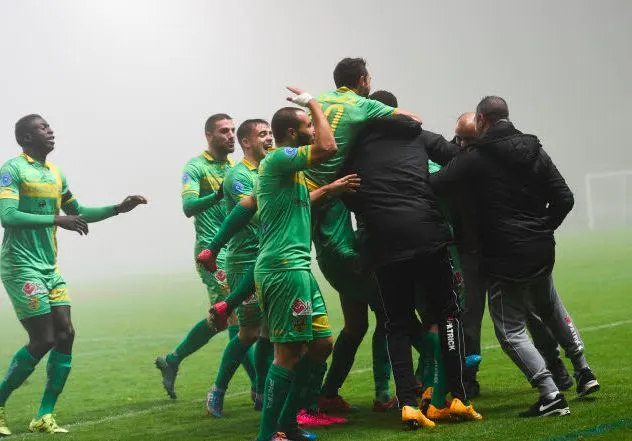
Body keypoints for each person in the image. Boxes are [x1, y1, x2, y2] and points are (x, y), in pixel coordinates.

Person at [431, 96, 599, 417]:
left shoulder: (475, 158)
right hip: (540, 249)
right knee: (550, 310)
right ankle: (583, 370)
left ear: (481, 120)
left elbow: (436, 184)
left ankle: (550, 393)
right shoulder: (534, 148)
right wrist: (542, 228)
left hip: (505, 256)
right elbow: (564, 197)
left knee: (510, 331)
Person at [339, 103, 483, 430]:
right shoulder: (418, 136)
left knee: (397, 324)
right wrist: (430, 188)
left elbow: (343, 189)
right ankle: (458, 396)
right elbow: (460, 158)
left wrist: (372, 210)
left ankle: (407, 404)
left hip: (384, 244)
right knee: (447, 313)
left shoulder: (354, 150)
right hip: (428, 234)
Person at [0, 114, 147, 435]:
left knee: (65, 334)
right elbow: (7, 216)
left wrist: (117, 209)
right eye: (42, 128)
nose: (50, 131)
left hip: (49, 268)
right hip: (20, 266)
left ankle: (44, 415)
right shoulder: (12, 169)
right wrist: (56, 220)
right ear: (25, 138)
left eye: (50, 127)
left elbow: (76, 214)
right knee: (43, 339)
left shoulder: (55, 174)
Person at [308, 58, 421, 413]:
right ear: (362, 81)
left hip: (331, 244)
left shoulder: (325, 106)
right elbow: (412, 121)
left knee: (356, 325)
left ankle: (327, 393)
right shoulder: (362, 117)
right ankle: (393, 389)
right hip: (345, 254)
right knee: (394, 317)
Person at [453, 113, 574, 398]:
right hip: (471, 255)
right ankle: (468, 379)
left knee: (532, 314)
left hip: (503, 253)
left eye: (468, 138)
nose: (461, 143)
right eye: (457, 137)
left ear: (481, 134)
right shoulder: (458, 158)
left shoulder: (493, 160)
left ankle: (556, 368)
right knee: (470, 318)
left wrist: (539, 229)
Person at [155, 114, 257, 401]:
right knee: (235, 316)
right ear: (208, 136)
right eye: (224, 131)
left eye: (233, 131)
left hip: (238, 252)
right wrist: (217, 195)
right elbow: (188, 207)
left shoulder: (237, 168)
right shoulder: (196, 167)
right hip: (212, 254)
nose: (230, 135)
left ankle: (173, 359)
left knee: (222, 320)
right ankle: (258, 387)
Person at [206, 119, 274, 417]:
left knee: (269, 333)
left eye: (271, 132)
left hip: (267, 257)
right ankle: (217, 391)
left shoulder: (268, 169)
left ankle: (260, 392)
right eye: (262, 134)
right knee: (248, 332)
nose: (269, 138)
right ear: (247, 142)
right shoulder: (238, 176)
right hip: (244, 260)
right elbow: (257, 213)